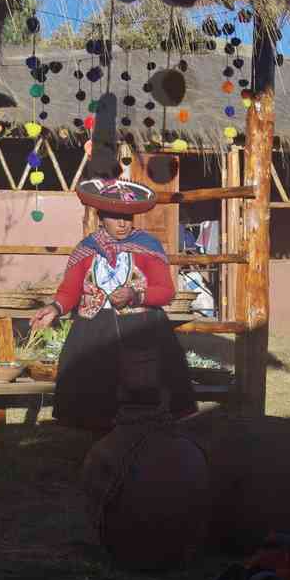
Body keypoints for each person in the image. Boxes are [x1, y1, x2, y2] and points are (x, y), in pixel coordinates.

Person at [31, 178, 197, 433]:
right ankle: (94, 454)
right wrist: (54, 308)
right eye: (115, 216)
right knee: (94, 402)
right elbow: (70, 290)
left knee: (147, 396)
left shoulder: (148, 247)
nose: (123, 223)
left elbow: (165, 291)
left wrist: (135, 295)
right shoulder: (85, 250)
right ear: (101, 216)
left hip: (142, 330)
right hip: (93, 333)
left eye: (128, 217)